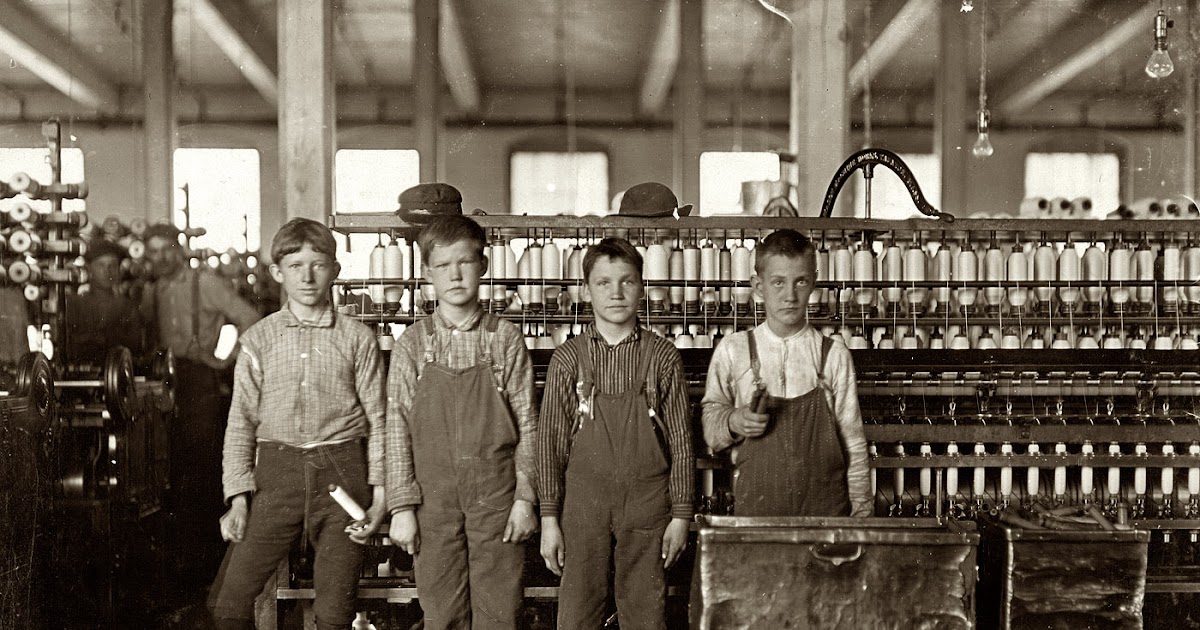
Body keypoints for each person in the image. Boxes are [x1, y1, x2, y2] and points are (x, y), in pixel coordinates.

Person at [209, 218, 387, 630]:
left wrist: (380, 499)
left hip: (343, 475)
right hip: (277, 475)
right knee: (229, 602)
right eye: (294, 265)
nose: (307, 276)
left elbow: (380, 421)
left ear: (336, 270)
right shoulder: (259, 339)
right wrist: (237, 499)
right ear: (277, 273)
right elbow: (240, 423)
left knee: (335, 611)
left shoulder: (357, 339)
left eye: (318, 264)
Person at [386, 199, 537, 630]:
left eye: (465, 262)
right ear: (427, 273)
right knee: (442, 614)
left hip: (497, 497)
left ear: (483, 265)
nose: (454, 274)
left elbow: (529, 425)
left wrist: (525, 499)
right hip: (432, 501)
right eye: (442, 265)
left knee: (499, 614)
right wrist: (401, 506)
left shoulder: (504, 339)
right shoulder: (413, 344)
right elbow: (395, 426)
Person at [538, 237, 694, 630]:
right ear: (587, 289)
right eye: (604, 283)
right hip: (583, 503)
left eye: (626, 281)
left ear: (642, 285)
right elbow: (550, 445)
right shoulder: (568, 358)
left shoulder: (662, 356)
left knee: (645, 613)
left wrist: (681, 515)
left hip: (647, 502)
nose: (616, 293)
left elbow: (680, 442)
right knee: (577, 613)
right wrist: (549, 518)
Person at [701, 229, 871, 517]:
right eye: (778, 282)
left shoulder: (833, 355)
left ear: (814, 282)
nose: (790, 296)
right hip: (758, 518)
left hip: (826, 519)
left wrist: (862, 516)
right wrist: (734, 420)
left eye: (800, 282)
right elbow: (710, 430)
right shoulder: (734, 350)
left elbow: (853, 444)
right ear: (758, 286)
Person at [140, 222, 261, 576]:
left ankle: (210, 563)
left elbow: (250, 319)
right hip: (165, 381)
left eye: (166, 249)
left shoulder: (202, 281)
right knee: (170, 467)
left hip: (199, 379)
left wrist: (225, 359)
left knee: (203, 465)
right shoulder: (153, 290)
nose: (161, 257)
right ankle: (183, 562)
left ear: (178, 249)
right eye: (153, 251)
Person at [66, 238, 145, 363]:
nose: (107, 271)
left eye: (112, 265)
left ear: (119, 270)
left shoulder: (127, 306)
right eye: (100, 265)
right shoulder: (75, 303)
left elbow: (135, 345)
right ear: (90, 269)